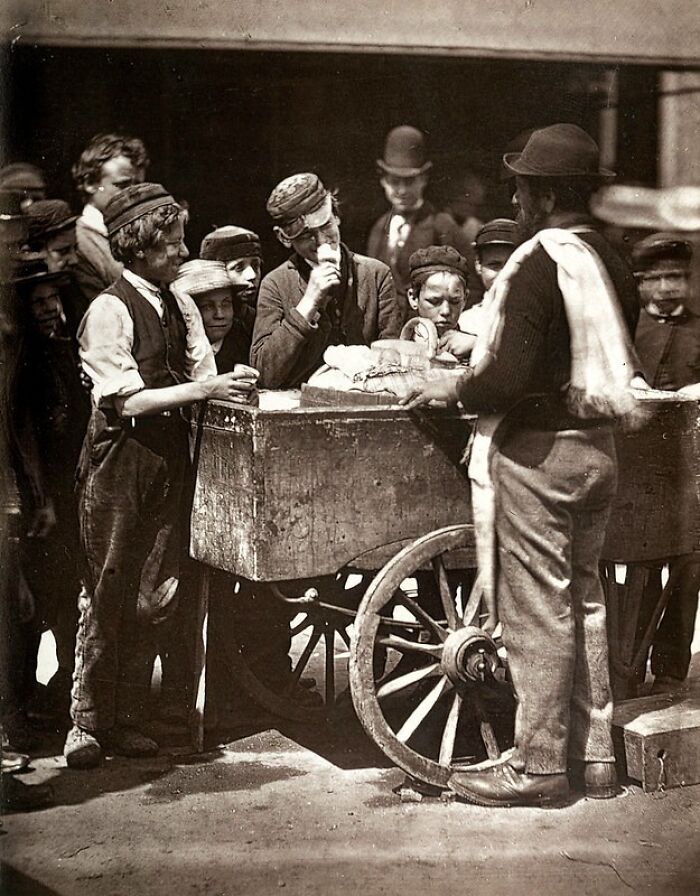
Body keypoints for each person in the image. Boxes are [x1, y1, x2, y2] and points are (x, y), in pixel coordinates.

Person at [402, 123, 641, 808]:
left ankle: (535, 764)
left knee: (538, 610)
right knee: (586, 600)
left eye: (522, 184)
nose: (515, 193)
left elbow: (504, 379)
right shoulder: (612, 257)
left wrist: (450, 385)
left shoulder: (539, 260)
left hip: (541, 453)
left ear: (540, 194)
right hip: (599, 448)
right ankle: (595, 757)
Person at [63, 183, 257, 769]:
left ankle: (128, 718)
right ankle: (85, 723)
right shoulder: (110, 309)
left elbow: (203, 368)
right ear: (140, 249)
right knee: (107, 592)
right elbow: (125, 401)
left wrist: (228, 381)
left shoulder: (181, 302)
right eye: (171, 242)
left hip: (169, 462)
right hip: (119, 466)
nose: (181, 250)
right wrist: (204, 388)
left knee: (155, 600)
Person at [12, 258, 91, 722]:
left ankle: (62, 689)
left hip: (66, 489)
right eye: (36, 302)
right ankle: (21, 703)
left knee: (63, 598)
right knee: (29, 603)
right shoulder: (21, 360)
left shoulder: (63, 349)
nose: (47, 308)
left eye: (51, 299)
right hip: (34, 496)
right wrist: (40, 497)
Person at [251, 173, 401, 388]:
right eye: (305, 236)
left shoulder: (376, 276)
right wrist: (308, 303)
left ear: (336, 215)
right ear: (283, 238)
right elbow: (264, 374)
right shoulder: (275, 284)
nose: (321, 241)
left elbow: (392, 361)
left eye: (326, 226)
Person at [632, 232, 700, 692]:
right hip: (635, 469)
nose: (667, 288)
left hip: (688, 469)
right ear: (638, 284)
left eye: (675, 277)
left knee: (689, 561)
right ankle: (629, 662)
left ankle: (671, 669)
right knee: (634, 568)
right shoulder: (627, 331)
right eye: (655, 279)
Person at [367, 126, 480, 321]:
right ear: (383, 180)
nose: (401, 190)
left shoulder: (441, 225)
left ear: (424, 179)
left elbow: (473, 286)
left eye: (409, 182)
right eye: (394, 181)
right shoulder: (379, 228)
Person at [72, 133, 149, 304]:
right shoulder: (78, 241)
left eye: (138, 185)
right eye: (122, 185)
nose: (134, 194)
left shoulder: (134, 232)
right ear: (90, 183)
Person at [24, 199, 87, 334]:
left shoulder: (73, 291)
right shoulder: (23, 306)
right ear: (33, 253)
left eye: (75, 249)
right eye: (63, 251)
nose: (74, 260)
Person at [200, 225, 263, 345]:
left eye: (255, 265)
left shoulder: (256, 321)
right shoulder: (198, 321)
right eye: (238, 267)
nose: (252, 275)